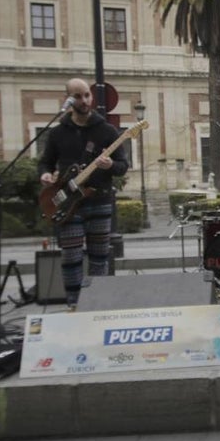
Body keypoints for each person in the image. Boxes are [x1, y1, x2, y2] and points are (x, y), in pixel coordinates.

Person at [38, 78, 129, 307]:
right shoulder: (58, 133)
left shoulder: (107, 131)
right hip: (67, 203)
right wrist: (45, 174)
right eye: (78, 96)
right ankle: (74, 304)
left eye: (87, 95)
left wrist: (110, 165)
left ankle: (96, 304)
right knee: (71, 256)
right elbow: (45, 162)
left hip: (99, 201)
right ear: (68, 99)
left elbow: (122, 166)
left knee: (99, 257)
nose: (84, 100)